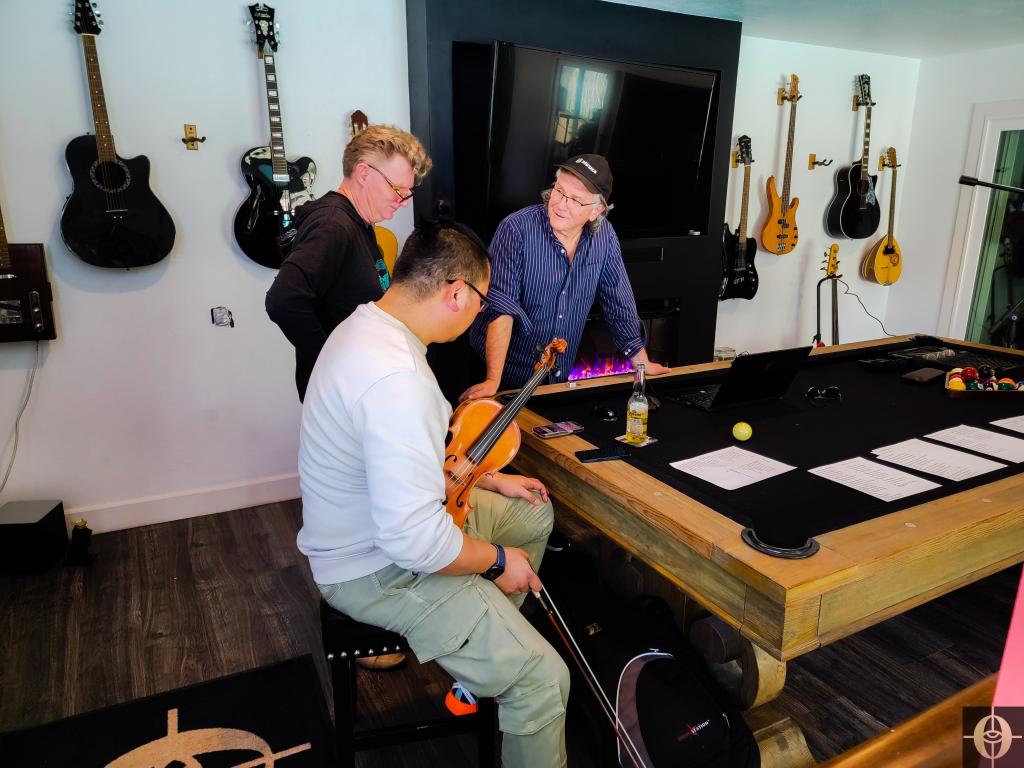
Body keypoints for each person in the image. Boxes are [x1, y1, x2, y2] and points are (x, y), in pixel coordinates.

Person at [297, 221, 570, 768]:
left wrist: (490, 479)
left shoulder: (366, 326)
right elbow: (415, 542)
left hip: (374, 532)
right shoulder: (399, 379)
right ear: (456, 293)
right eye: (483, 302)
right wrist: (498, 562)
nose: (480, 314)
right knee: (545, 679)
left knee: (530, 516)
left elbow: (413, 463)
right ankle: (512, 673)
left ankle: (485, 666)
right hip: (374, 569)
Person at [460, 153, 670, 401]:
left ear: (596, 211)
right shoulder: (516, 229)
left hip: (556, 376)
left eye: (575, 200)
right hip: (503, 372)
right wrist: (492, 380)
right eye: (559, 191)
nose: (560, 204)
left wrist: (642, 364)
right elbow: (502, 308)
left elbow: (618, 300)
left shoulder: (604, 236)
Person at [266, 124, 432, 402]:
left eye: (408, 192)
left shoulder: (359, 222)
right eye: (398, 189)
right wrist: (330, 360)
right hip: (341, 393)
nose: (403, 201)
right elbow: (283, 300)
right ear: (364, 173)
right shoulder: (333, 224)